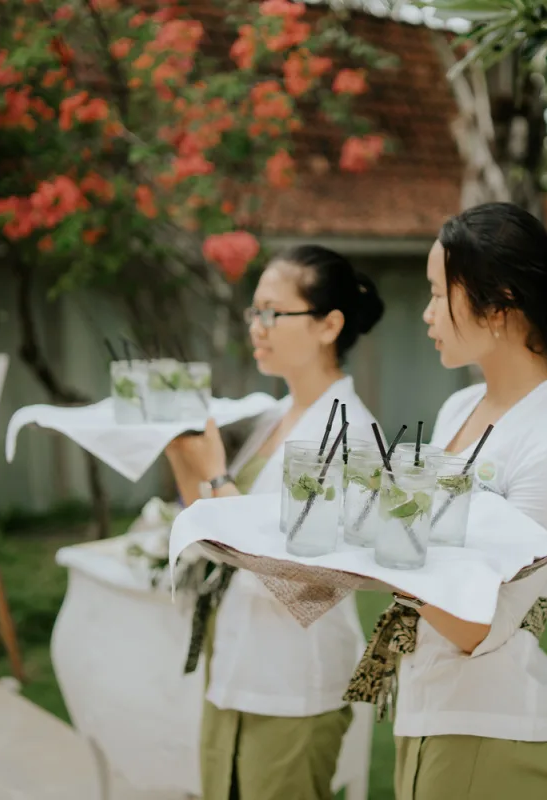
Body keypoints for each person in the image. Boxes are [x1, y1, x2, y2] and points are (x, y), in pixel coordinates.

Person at [345, 202, 547, 799]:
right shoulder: (459, 410)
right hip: (429, 711)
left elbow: (480, 626)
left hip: (493, 735)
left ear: (498, 303)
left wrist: (376, 540)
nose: (426, 313)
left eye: (440, 294)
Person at [164, 244, 385, 800]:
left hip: (294, 684)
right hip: (234, 668)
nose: (257, 327)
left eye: (272, 312)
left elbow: (311, 585)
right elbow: (214, 529)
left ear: (327, 324)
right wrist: (177, 449)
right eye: (253, 312)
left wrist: (216, 477)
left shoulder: (351, 433)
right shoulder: (274, 416)